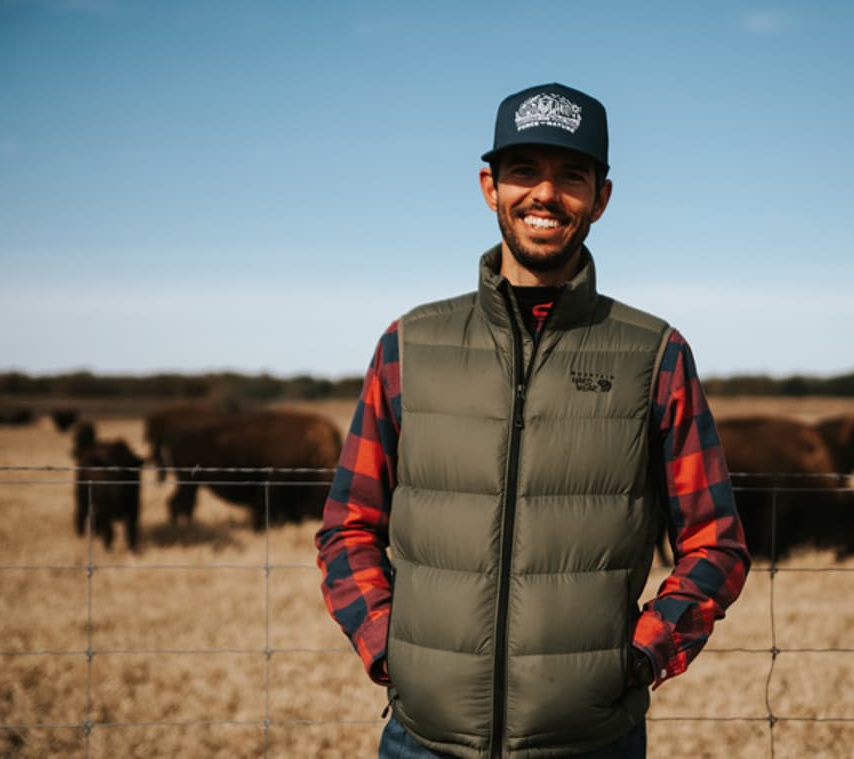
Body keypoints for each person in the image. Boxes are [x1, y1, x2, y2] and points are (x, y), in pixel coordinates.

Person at [316, 82, 750, 759]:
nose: (545, 194)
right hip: (423, 741)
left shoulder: (654, 353)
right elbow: (348, 525)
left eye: (570, 175)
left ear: (601, 197)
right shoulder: (409, 344)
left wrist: (640, 658)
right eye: (524, 171)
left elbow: (716, 542)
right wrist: (388, 646)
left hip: (590, 741)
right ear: (489, 186)